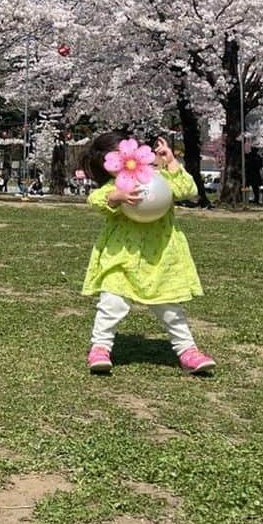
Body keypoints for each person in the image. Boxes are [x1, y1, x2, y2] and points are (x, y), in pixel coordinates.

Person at [81, 132, 216, 375]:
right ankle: (100, 348)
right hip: (122, 257)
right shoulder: (114, 187)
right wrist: (116, 197)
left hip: (160, 258)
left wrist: (171, 162)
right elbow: (96, 200)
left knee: (170, 308)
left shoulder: (159, 178)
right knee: (111, 303)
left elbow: (187, 189)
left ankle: (188, 351)